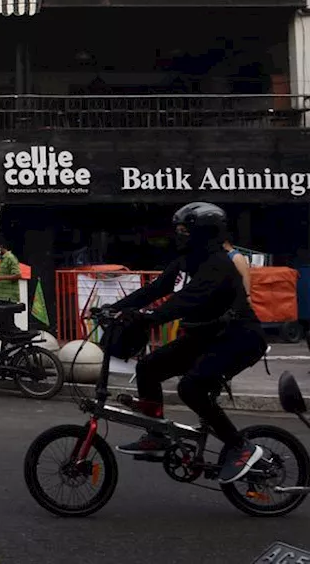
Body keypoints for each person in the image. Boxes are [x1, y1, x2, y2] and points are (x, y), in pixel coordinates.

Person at [108, 202, 268, 485]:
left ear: (203, 234)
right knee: (148, 368)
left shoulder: (218, 265)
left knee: (191, 388)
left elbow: (186, 300)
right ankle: (156, 435)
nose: (179, 236)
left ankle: (240, 447)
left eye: (185, 231)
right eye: (178, 230)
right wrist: (114, 308)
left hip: (239, 338)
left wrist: (150, 318)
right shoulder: (186, 261)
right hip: (205, 336)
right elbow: (156, 289)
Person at [0, 234, 22, 336]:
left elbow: (18, 275)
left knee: (7, 328)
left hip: (8, 298)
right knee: (1, 329)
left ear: (1, 246)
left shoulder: (10, 258)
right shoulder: (2, 258)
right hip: (0, 297)